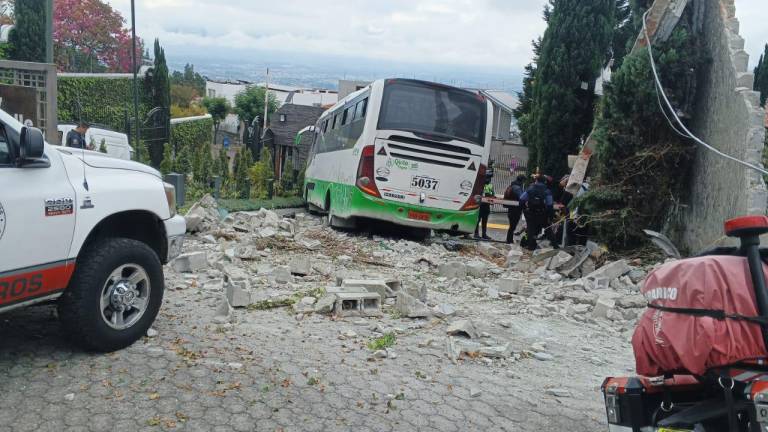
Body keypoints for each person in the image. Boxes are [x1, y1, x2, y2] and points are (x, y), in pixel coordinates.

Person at [519, 175, 553, 251]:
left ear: (536, 181)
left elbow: (521, 199)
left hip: (530, 212)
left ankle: (530, 247)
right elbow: (550, 205)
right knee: (548, 229)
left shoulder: (530, 189)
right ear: (545, 182)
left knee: (530, 230)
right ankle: (555, 246)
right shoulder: (547, 190)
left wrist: (525, 208)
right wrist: (550, 216)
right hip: (542, 213)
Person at [503, 175, 526, 244]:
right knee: (512, 226)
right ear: (522, 180)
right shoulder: (517, 188)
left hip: (511, 208)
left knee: (512, 226)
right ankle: (509, 240)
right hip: (515, 209)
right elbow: (522, 197)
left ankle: (509, 240)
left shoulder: (513, 186)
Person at [474, 175, 494, 240]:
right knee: (478, 220)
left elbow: (493, 194)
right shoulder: (479, 185)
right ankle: (476, 234)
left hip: (486, 205)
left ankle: (484, 234)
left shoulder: (490, 185)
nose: (488, 179)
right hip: (480, 205)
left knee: (485, 221)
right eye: (487, 178)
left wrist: (492, 198)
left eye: (489, 178)